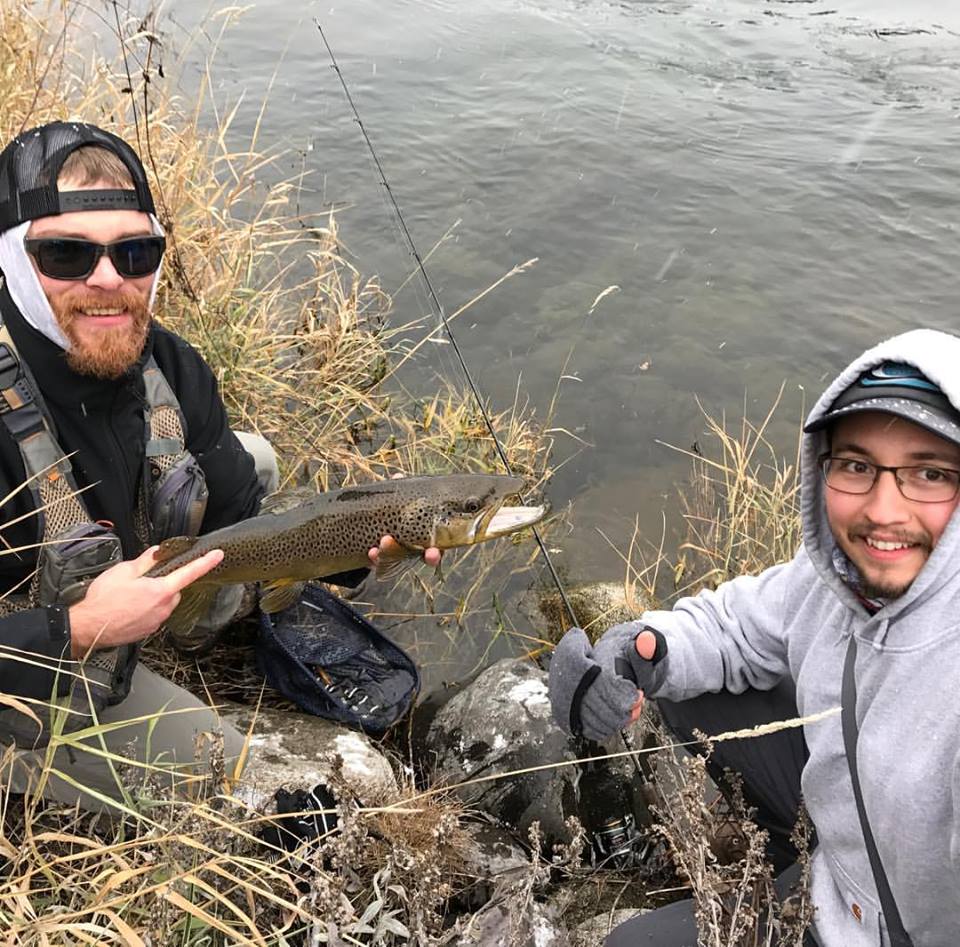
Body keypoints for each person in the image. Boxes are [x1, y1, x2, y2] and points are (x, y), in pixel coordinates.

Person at [0, 121, 439, 811]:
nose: (108, 280)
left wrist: (358, 549)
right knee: (232, 778)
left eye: (135, 251)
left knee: (253, 460)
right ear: (14, 264)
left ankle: (184, 620)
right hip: (28, 656)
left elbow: (245, 518)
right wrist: (79, 629)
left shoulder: (171, 366)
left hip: (124, 568)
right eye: (65, 254)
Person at [549, 329, 960, 947]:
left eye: (929, 473)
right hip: (836, 876)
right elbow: (730, 627)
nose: (883, 510)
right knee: (680, 682)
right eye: (856, 466)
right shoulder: (833, 578)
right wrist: (634, 652)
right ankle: (784, 851)